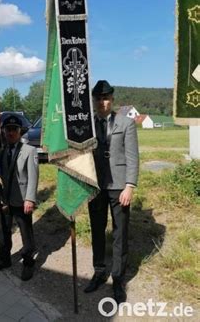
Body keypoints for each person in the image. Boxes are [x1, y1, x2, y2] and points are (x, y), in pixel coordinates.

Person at [84, 80, 139, 304]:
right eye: (98, 98)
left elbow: (133, 157)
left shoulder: (126, 123)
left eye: (106, 97)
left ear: (112, 99)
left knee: (119, 234)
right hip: (96, 186)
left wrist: (130, 186)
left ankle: (118, 278)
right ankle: (99, 271)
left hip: (119, 187)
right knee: (97, 231)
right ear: (94, 100)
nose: (102, 102)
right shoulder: (87, 125)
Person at [0, 115, 39, 281]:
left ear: (20, 131)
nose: (11, 133)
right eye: (8, 129)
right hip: (4, 200)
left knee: (26, 234)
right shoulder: (1, 151)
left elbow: (33, 177)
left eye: (14, 130)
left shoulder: (29, 150)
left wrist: (30, 199)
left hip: (22, 200)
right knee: (4, 233)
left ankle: (28, 262)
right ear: (4, 131)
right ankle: (4, 259)